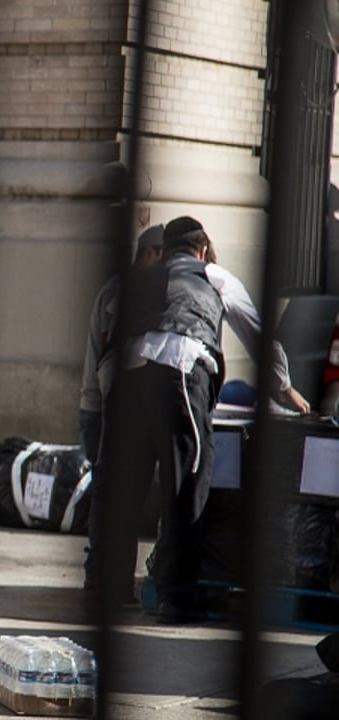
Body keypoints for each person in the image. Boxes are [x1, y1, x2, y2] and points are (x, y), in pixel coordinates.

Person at [90, 217, 310, 623]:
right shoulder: (214, 276)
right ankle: (177, 600)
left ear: (166, 249)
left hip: (123, 381)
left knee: (122, 487)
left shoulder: (137, 280)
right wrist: (284, 388)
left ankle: (111, 588)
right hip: (178, 369)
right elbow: (258, 336)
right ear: (203, 249)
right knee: (186, 485)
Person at [79, 224, 164, 591]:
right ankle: (98, 570)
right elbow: (111, 358)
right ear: (151, 253)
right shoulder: (123, 291)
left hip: (105, 405)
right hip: (103, 407)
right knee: (108, 490)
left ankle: (103, 571)